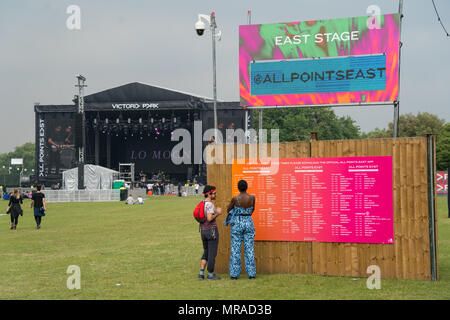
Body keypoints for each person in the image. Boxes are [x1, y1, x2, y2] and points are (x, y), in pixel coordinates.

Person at [224, 180, 256, 280]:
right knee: (249, 249)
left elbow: (228, 210)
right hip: (249, 222)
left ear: (238, 188)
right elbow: (252, 210)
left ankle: (234, 274)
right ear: (246, 187)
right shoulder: (252, 198)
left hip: (237, 223)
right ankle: (251, 274)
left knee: (235, 249)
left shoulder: (235, 199)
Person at [198, 185, 223, 281]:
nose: (216, 194)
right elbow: (209, 218)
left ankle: (201, 273)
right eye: (214, 193)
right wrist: (217, 213)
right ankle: (210, 274)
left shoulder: (203, 203)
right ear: (209, 194)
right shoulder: (210, 204)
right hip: (211, 231)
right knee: (212, 253)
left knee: (206, 251)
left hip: (203, 231)